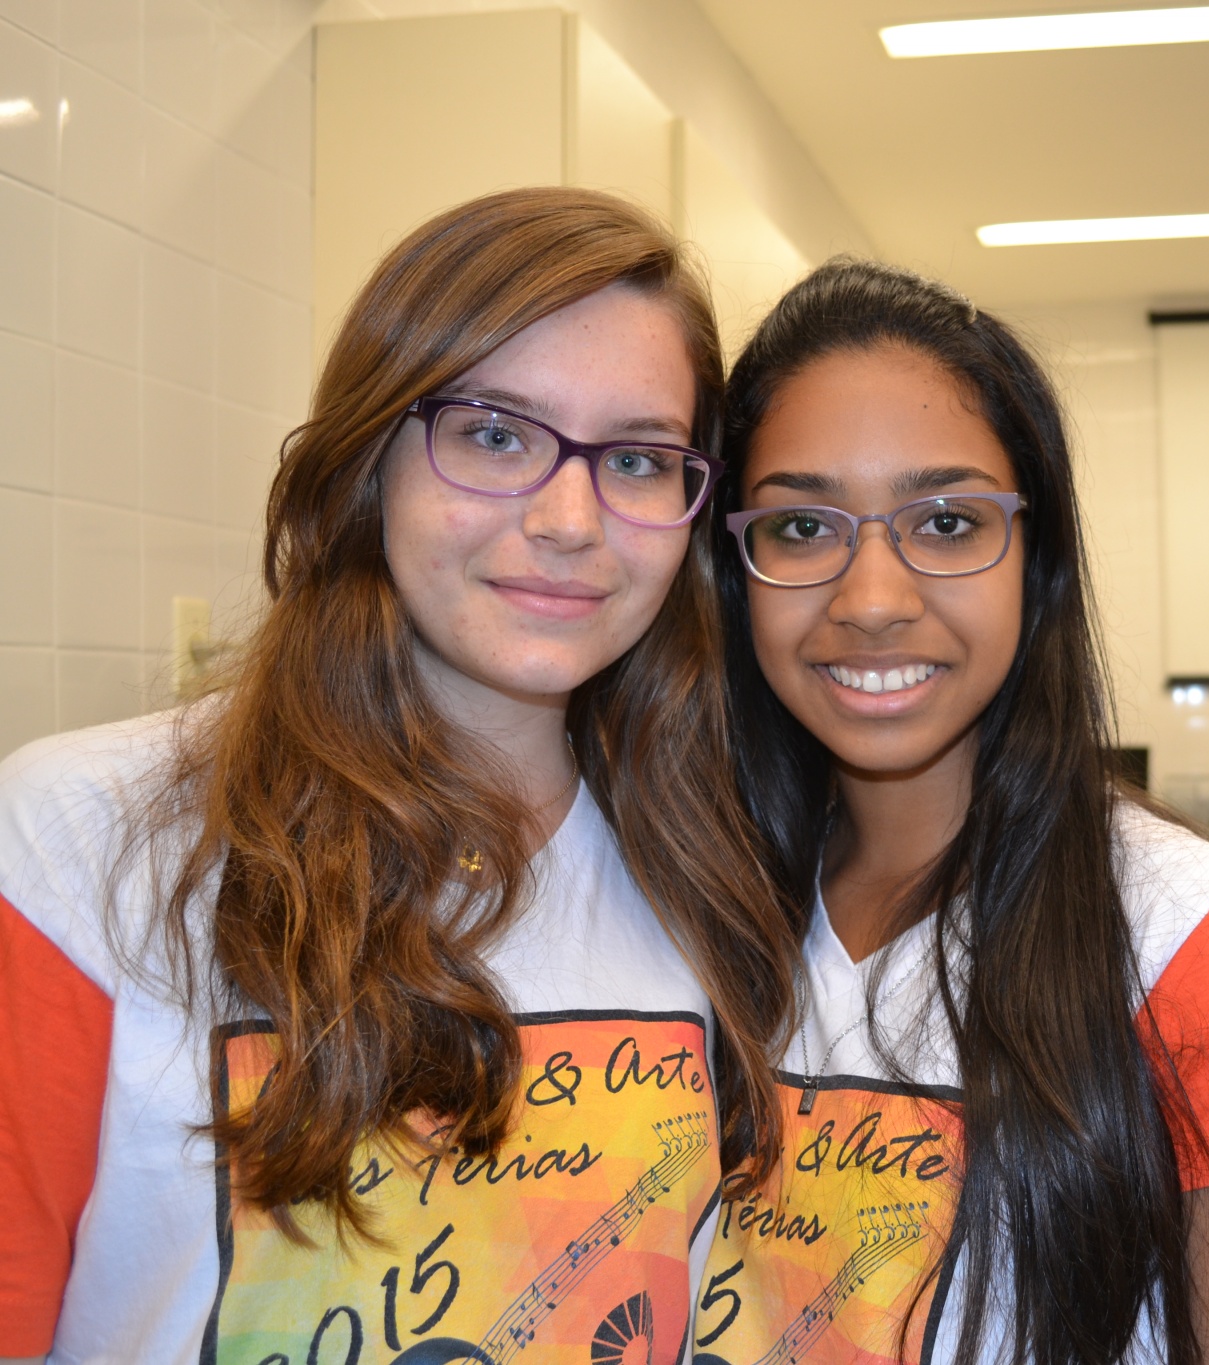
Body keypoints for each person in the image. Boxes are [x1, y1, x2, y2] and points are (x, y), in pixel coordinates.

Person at [0, 189, 794, 1363]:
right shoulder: (79, 837)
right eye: (493, 434)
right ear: (371, 456)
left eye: (635, 458)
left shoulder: (715, 867)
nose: (570, 518)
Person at [692, 259, 1209, 1365]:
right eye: (802, 528)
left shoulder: (1182, 928)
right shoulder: (697, 902)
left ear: (1033, 559)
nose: (870, 600)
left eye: (946, 522)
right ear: (734, 566)